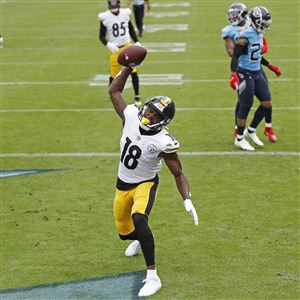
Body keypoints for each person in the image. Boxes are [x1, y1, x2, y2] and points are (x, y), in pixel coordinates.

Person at [108, 66, 198, 297]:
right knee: (124, 232)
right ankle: (138, 239)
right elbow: (114, 92)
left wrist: (186, 199)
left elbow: (178, 173)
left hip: (145, 184)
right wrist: (127, 68)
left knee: (139, 217)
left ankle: (152, 276)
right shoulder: (130, 116)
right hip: (122, 183)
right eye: (149, 110)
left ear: (163, 121)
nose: (149, 116)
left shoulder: (163, 141)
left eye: (156, 116)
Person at [221, 3, 281, 143]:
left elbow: (257, 52)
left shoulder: (256, 31)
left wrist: (269, 65)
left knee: (266, 102)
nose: (233, 17)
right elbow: (233, 53)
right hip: (243, 71)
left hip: (256, 69)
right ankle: (239, 133)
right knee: (243, 102)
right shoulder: (239, 33)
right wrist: (233, 73)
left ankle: (253, 130)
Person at [98, 0, 142, 105]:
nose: (113, 6)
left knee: (133, 71)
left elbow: (130, 28)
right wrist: (108, 44)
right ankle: (111, 93)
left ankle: (137, 96)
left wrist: (136, 41)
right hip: (115, 49)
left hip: (127, 47)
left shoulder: (125, 13)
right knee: (114, 74)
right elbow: (101, 36)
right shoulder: (105, 17)